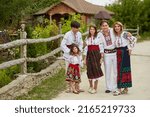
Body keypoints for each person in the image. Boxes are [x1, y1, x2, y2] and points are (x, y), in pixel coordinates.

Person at [113, 21, 137, 95]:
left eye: (118, 26)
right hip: (117, 52)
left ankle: (121, 89)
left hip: (124, 53)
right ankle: (123, 88)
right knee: (119, 70)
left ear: (121, 27)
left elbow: (134, 39)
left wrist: (130, 48)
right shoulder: (115, 35)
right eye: (115, 26)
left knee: (124, 70)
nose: (117, 28)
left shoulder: (124, 34)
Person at [60, 21, 83, 93]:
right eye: (76, 28)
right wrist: (70, 52)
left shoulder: (79, 34)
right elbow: (62, 45)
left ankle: (77, 87)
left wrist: (79, 51)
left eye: (78, 28)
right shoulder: (67, 34)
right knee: (69, 71)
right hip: (69, 55)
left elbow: (81, 43)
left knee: (78, 71)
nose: (78, 29)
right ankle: (68, 87)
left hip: (77, 54)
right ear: (72, 28)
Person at [97, 20, 119, 95]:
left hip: (115, 52)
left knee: (116, 70)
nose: (105, 27)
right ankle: (108, 87)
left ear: (108, 25)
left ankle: (115, 87)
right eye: (103, 26)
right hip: (106, 54)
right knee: (108, 71)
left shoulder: (113, 30)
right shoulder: (100, 34)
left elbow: (120, 33)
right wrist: (101, 53)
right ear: (101, 27)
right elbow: (100, 44)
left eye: (106, 25)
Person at [83, 25, 103, 94]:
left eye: (93, 29)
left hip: (96, 55)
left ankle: (95, 87)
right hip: (89, 55)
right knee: (89, 70)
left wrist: (101, 57)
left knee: (96, 70)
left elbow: (101, 47)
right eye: (90, 29)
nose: (92, 30)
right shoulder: (87, 38)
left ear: (95, 30)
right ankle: (91, 86)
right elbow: (86, 48)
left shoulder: (98, 37)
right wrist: (85, 58)